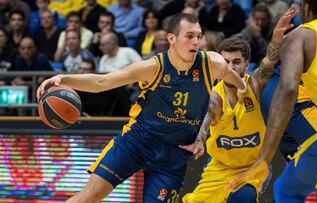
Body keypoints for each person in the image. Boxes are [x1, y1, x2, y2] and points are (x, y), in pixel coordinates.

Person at [37, 13, 247, 202]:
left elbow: (234, 78)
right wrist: (63, 78)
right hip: (137, 141)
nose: (195, 41)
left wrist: (242, 88)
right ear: (171, 39)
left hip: (173, 155)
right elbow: (102, 82)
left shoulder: (212, 64)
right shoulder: (153, 67)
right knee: (90, 196)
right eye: (189, 36)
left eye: (198, 36)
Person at [225, 0, 317, 202]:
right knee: (315, 183)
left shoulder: (303, 34)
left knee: (292, 189)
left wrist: (264, 158)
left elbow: (287, 89)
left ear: (305, 8)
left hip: (314, 110)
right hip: (298, 108)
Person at [181, 8, 297, 203]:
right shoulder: (213, 94)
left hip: (254, 166)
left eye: (236, 62)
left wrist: (277, 36)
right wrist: (199, 139)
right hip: (220, 167)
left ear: (246, 64)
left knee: (242, 197)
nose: (230, 67)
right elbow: (208, 115)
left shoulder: (256, 84)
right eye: (225, 62)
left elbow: (269, 61)